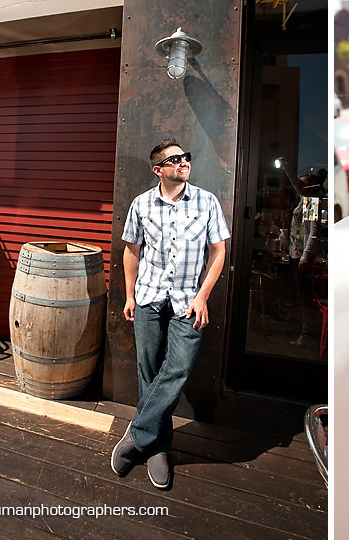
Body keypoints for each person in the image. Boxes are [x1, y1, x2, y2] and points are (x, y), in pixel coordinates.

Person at [111, 139, 230, 489]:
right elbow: (131, 252)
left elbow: (219, 252)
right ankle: (159, 447)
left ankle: (136, 436)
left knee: (177, 368)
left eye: (185, 158)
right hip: (148, 296)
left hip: (188, 301)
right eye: (173, 160)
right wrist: (130, 295)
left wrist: (203, 296)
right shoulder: (141, 204)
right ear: (158, 170)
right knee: (148, 371)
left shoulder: (206, 202)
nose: (183, 163)